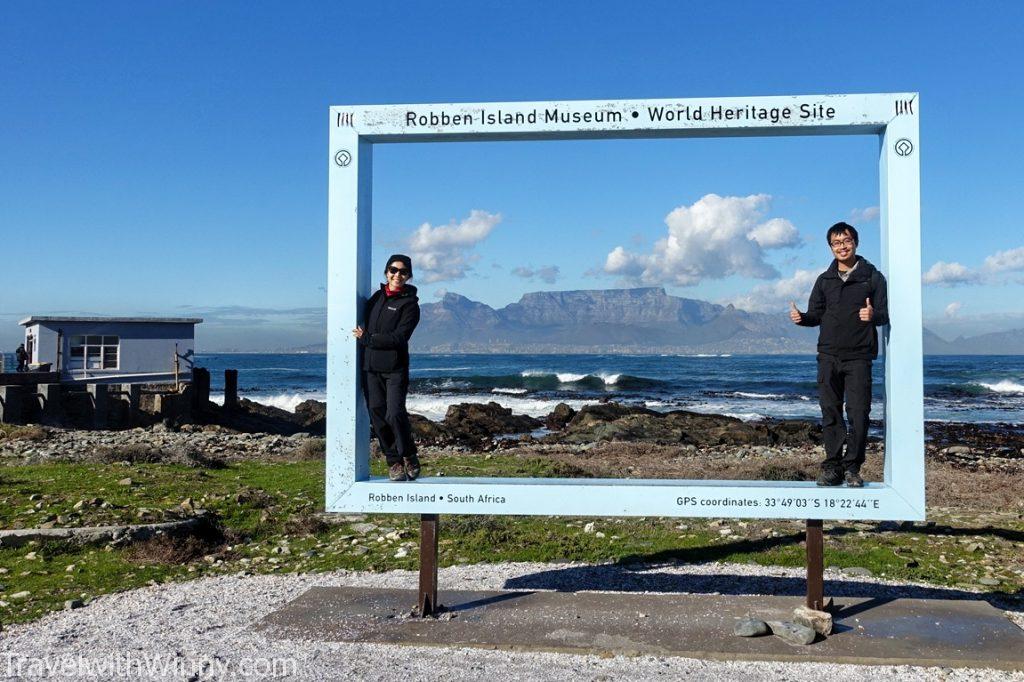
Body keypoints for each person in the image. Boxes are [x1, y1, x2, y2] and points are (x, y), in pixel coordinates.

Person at [789, 222, 889, 488]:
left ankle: (852, 467)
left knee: (858, 413)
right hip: (828, 356)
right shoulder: (824, 280)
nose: (842, 247)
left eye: (846, 241)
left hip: (859, 357)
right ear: (831, 248)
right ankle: (832, 466)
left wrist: (873, 316)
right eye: (836, 243)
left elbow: (885, 313)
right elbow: (816, 315)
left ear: (855, 242)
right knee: (830, 412)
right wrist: (802, 319)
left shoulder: (873, 277)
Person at [352, 254, 422, 482]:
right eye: (393, 270)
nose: (397, 275)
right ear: (386, 272)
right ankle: (393, 462)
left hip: (395, 369)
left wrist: (369, 339)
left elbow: (400, 338)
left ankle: (409, 455)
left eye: (403, 272)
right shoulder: (375, 299)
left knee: (395, 413)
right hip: (370, 368)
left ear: (408, 276)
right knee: (378, 415)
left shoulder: (410, 305)